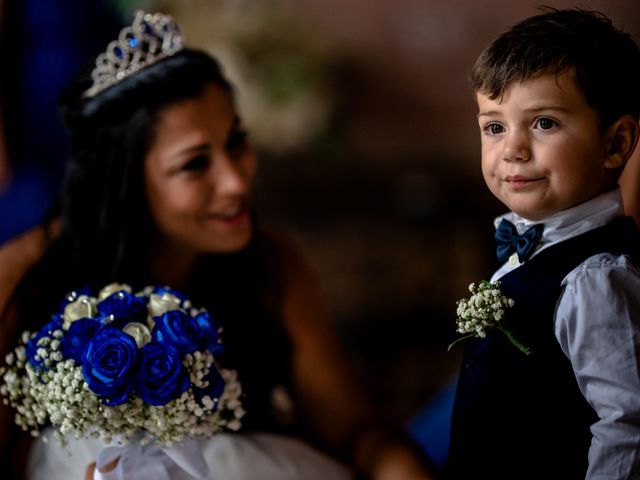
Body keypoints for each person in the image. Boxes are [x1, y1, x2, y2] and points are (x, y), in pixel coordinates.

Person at [0, 10, 434, 480]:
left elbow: (357, 432)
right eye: (194, 164)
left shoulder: (271, 264)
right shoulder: (24, 277)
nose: (236, 180)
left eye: (237, 142)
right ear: (122, 183)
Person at [445, 8, 640, 479]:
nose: (512, 148)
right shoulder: (528, 247)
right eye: (494, 126)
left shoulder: (596, 279)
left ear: (615, 144)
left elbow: (627, 426)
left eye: (544, 123)